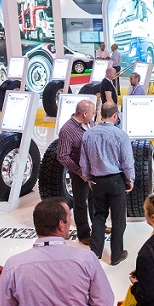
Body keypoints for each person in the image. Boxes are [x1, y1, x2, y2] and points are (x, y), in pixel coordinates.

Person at [80, 102, 135, 265]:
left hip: (97, 181)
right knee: (118, 219)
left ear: (100, 114)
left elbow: (84, 161)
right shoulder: (121, 135)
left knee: (99, 216)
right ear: (115, 115)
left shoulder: (88, 134)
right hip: (116, 181)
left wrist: (88, 178)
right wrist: (130, 180)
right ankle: (116, 255)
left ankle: (95, 252)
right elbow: (127, 162)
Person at [57, 100, 97, 246]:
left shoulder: (90, 123)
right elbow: (62, 156)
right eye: (93, 112)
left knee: (95, 199)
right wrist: (79, 172)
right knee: (80, 203)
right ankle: (84, 234)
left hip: (94, 170)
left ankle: (98, 225)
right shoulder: (67, 131)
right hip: (79, 173)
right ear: (85, 113)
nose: (94, 115)